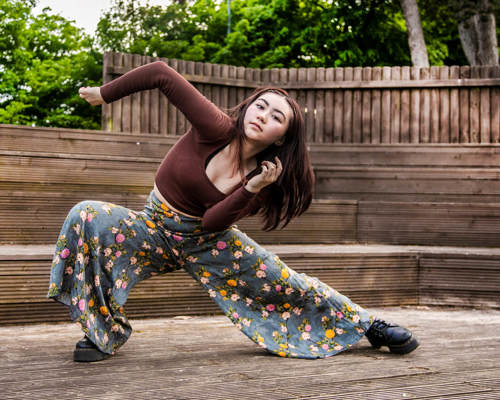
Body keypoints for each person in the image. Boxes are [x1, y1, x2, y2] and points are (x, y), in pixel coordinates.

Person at [47, 61, 419, 362]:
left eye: (276, 117)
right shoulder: (214, 126)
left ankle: (370, 326)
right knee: (87, 214)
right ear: (247, 107)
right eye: (261, 106)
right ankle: (100, 332)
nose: (263, 116)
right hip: (152, 227)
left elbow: (212, 222)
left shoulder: (264, 175)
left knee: (286, 280)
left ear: (282, 137)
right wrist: (103, 94)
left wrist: (251, 188)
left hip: (206, 240)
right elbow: (160, 72)